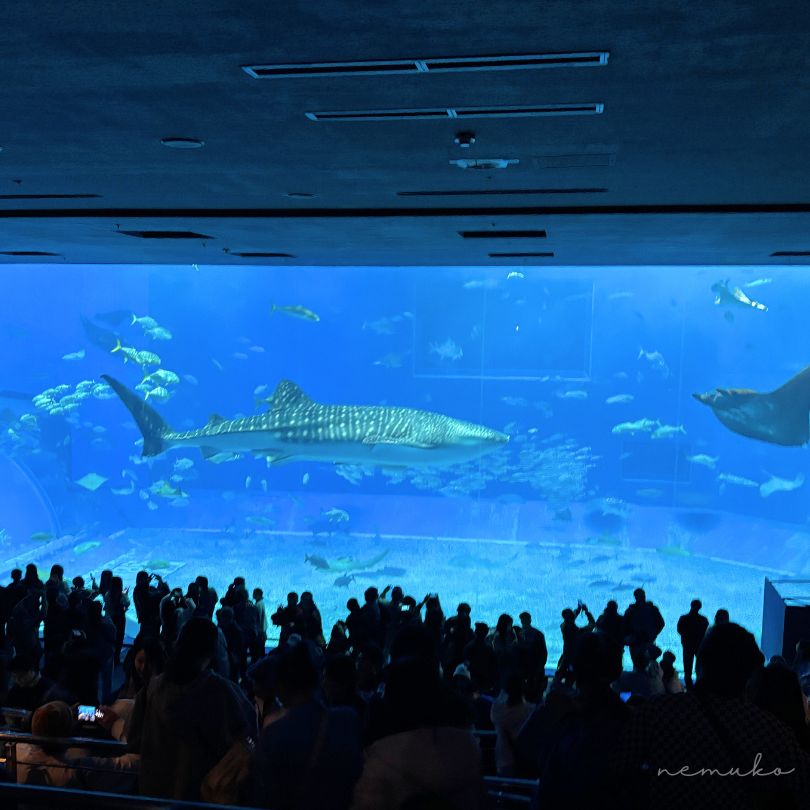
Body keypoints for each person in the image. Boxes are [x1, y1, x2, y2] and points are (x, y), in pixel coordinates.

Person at [616, 622, 810, 807]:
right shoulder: (773, 733)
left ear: (700, 664)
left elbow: (616, 774)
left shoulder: (655, 713)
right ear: (749, 675)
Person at [128, 617, 255, 801]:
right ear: (211, 651)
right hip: (197, 798)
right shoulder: (219, 691)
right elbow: (248, 734)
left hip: (153, 796)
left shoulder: (154, 688)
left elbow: (133, 739)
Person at [250, 641, 363, 809]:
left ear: (280, 686)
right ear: (318, 679)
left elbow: (261, 791)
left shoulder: (274, 734)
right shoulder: (348, 719)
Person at [491, 673, 535, 776]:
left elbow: (497, 703)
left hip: (503, 759)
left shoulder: (497, 711)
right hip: (525, 759)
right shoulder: (530, 710)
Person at [556, 601, 595, 685]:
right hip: (575, 660)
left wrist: (578, 609)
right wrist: (587, 612)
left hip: (565, 657)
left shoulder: (563, 626)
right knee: (571, 679)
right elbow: (592, 624)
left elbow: (571, 618)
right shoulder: (579, 632)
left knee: (559, 676)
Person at [676, 598, 709, 690]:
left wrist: (687, 636)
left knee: (688, 668)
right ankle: (699, 686)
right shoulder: (703, 620)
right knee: (699, 667)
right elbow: (704, 632)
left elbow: (679, 630)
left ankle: (690, 688)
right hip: (698, 646)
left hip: (688, 645)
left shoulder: (684, 618)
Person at [132, 571, 168, 638]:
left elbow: (156, 593)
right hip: (150, 619)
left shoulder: (138, 589)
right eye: (146, 578)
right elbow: (158, 595)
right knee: (149, 636)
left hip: (147, 619)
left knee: (144, 634)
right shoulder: (141, 591)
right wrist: (161, 582)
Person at [103, 575, 130, 663]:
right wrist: (126, 594)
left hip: (110, 618)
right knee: (119, 637)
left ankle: (109, 658)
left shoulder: (107, 594)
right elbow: (127, 603)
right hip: (120, 618)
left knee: (111, 638)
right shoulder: (121, 595)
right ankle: (117, 659)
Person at [253, 587, 268, 660]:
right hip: (262, 630)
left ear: (257, 594)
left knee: (259, 651)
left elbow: (257, 619)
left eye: (254, 593)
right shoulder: (261, 603)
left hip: (260, 632)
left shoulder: (258, 605)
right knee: (261, 650)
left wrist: (258, 631)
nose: (253, 595)